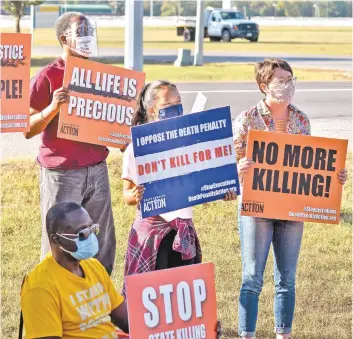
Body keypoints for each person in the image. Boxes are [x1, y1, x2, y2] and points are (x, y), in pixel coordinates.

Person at [233, 58, 348, 339]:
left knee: (286, 279)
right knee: (252, 277)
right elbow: (229, 167)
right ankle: (247, 333)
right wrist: (239, 169)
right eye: (282, 80)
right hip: (257, 208)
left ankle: (283, 333)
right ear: (265, 86)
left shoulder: (301, 119)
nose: (289, 84)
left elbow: (309, 167)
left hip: (292, 209)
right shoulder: (247, 119)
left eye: (291, 79)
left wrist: (335, 176)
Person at [121, 80, 237, 294]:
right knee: (152, 294)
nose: (176, 107)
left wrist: (223, 190)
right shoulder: (136, 149)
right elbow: (126, 196)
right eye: (168, 104)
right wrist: (135, 195)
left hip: (183, 229)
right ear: (152, 110)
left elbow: (202, 182)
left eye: (179, 101)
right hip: (153, 232)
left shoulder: (190, 144)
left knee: (181, 295)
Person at [24, 12, 116, 274]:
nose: (88, 38)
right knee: (60, 243)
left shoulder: (99, 75)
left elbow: (111, 121)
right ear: (64, 38)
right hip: (62, 175)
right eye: (81, 32)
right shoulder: (47, 76)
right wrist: (53, 107)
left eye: (90, 31)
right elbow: (27, 129)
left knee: (101, 243)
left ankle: (99, 300)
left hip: (97, 170)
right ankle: (57, 300)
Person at [20, 202, 129, 339]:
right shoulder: (40, 287)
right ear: (57, 239)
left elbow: (124, 317)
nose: (91, 237)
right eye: (83, 233)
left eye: (92, 229)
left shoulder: (93, 266)